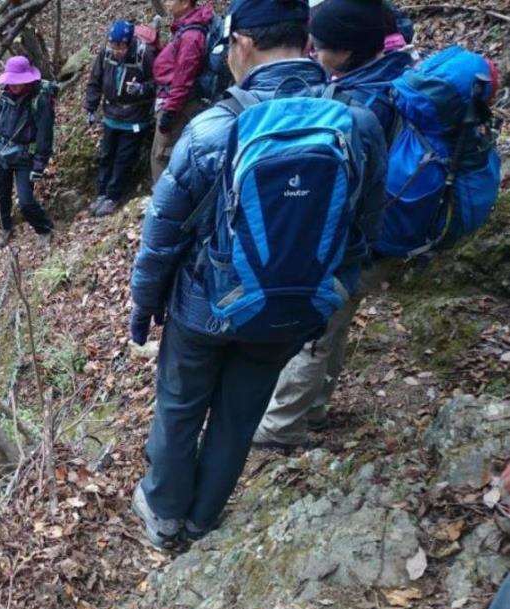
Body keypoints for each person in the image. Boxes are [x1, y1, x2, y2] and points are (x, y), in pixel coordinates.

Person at [128, 0, 387, 548]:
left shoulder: (212, 129)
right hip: (291, 309)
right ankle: (202, 520)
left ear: (241, 43)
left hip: (207, 305)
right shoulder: (359, 124)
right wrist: (325, 299)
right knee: (238, 417)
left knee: (179, 408)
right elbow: (362, 231)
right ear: (306, 39)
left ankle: (166, 519)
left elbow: (162, 235)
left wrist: (143, 306)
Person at [253, 0, 414, 451]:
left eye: (318, 46)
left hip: (354, 240)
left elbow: (345, 187)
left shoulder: (363, 104)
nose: (311, 53)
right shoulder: (395, 71)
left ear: (345, 52)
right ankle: (315, 408)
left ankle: (281, 427)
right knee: (334, 326)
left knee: (314, 333)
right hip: (378, 236)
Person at [84, 19, 157, 217]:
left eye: (120, 46)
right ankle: (101, 192)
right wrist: (90, 107)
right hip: (110, 115)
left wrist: (141, 89)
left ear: (128, 42)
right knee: (106, 155)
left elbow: (158, 83)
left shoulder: (145, 54)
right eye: (113, 45)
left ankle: (113, 197)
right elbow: (95, 81)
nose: (116, 50)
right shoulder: (105, 54)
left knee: (123, 159)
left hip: (134, 117)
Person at [0, 56, 56, 248]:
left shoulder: (40, 101)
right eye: (11, 82)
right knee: (1, 194)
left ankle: (44, 228)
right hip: (3, 152)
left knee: (25, 201)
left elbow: (44, 135)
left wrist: (40, 164)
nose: (13, 86)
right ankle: (5, 227)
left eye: (17, 82)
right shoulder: (4, 97)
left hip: (25, 156)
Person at [149, 0, 214, 185]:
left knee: (162, 155)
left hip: (177, 104)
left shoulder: (191, 35)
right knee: (161, 154)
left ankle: (162, 206)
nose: (167, 3)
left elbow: (183, 78)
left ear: (186, 3)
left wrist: (169, 112)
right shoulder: (185, 29)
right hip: (172, 99)